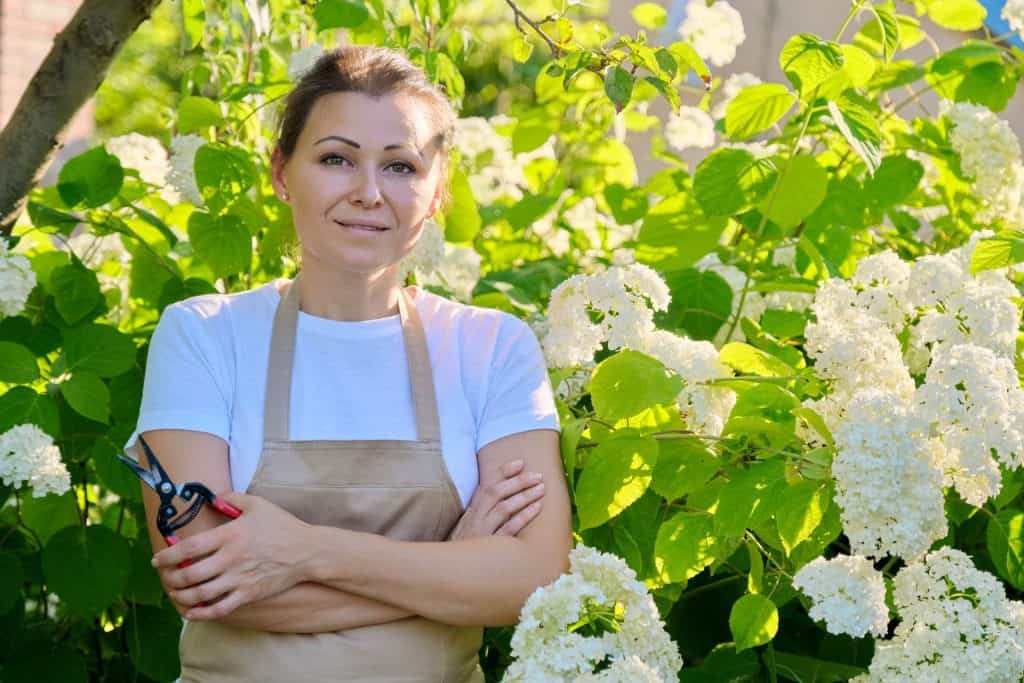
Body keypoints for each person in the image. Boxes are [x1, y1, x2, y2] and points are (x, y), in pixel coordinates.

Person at [124, 44, 572, 682]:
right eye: (336, 159)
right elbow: (206, 582)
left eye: (400, 166)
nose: (368, 193)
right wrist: (457, 561)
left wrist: (303, 551)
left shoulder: (492, 347)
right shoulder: (205, 335)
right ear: (282, 172)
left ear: (437, 192)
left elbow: (535, 581)